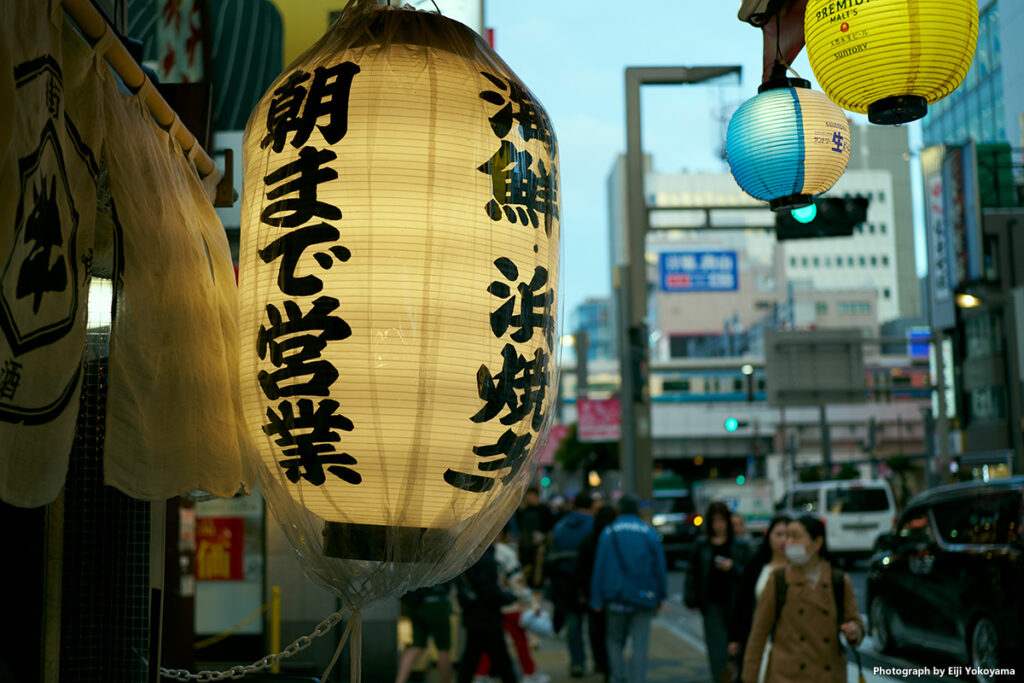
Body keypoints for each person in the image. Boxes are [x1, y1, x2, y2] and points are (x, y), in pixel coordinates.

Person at [740, 515, 865, 683]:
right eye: (787, 536)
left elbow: (855, 620)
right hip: (786, 676)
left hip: (828, 675)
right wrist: (749, 677)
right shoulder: (779, 580)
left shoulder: (839, 580)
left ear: (817, 542)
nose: (788, 542)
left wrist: (854, 631)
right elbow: (758, 635)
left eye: (795, 536)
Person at [589, 495, 667, 683]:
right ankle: (638, 679)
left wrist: (596, 599)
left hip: (615, 598)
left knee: (614, 640)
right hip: (642, 598)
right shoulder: (648, 532)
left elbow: (600, 568)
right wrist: (660, 597)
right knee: (640, 644)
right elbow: (659, 568)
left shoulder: (609, 532)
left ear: (619, 510)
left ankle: (617, 677)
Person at [684, 501, 753, 683]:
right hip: (712, 602)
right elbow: (693, 573)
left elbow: (749, 573)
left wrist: (733, 568)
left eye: (721, 521)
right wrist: (691, 598)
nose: (718, 525)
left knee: (738, 647)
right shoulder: (702, 545)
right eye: (715, 521)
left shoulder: (740, 546)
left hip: (735, 604)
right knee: (717, 650)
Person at [475, 524, 549, 683]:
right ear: (502, 534)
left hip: (488, 605)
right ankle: (529, 673)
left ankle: (481, 674)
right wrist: (531, 603)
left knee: (488, 642)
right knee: (520, 641)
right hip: (509, 605)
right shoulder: (506, 553)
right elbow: (517, 582)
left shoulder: (476, 552)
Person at [728, 515, 791, 682]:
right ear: (769, 536)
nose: (783, 540)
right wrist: (735, 638)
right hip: (759, 638)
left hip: (792, 642)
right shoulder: (757, 567)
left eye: (788, 535)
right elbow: (742, 604)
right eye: (778, 534)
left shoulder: (800, 570)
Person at [547, 492, 595, 677]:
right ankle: (599, 661)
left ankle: (577, 663)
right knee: (594, 624)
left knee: (573, 624)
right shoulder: (593, 525)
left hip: (565, 583)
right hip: (589, 582)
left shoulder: (561, 526)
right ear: (590, 507)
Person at [456, 545, 519, 683]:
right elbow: (490, 592)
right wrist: (509, 598)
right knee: (503, 662)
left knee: (470, 659)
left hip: (472, 615)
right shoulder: (487, 560)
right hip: (488, 618)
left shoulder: (467, 556)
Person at [576, 504, 618, 681]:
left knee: (596, 632)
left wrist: (583, 593)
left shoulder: (589, 540)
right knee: (614, 633)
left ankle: (601, 662)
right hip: (613, 593)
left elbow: (581, 570)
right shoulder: (615, 540)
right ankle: (613, 665)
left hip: (593, 594)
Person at [395, 581, 454, 683]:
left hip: (416, 604)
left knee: (416, 646)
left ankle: (400, 681)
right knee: (443, 649)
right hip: (437, 605)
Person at [516, 487, 554, 589]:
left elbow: (550, 530)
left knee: (537, 571)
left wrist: (544, 538)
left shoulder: (544, 510)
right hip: (524, 546)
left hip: (539, 546)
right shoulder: (522, 510)